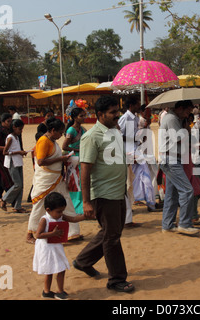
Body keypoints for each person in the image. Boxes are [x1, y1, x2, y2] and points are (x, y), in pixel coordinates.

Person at [73, 95, 134, 293]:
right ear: (100, 115)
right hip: (103, 194)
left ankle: (83, 261)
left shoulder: (114, 131)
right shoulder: (91, 137)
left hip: (118, 192)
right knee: (112, 237)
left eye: (118, 111)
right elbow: (85, 169)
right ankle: (116, 279)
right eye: (113, 113)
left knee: (111, 232)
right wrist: (87, 202)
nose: (118, 116)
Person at [27, 117, 82, 244]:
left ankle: (73, 232)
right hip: (46, 179)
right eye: (60, 132)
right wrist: (61, 159)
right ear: (53, 130)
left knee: (66, 201)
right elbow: (41, 161)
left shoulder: (52, 140)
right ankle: (30, 233)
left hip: (57, 178)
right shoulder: (44, 141)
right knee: (39, 205)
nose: (61, 135)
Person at [33, 192, 88, 300]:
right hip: (46, 248)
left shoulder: (60, 216)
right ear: (48, 210)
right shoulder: (45, 219)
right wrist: (52, 234)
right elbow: (38, 235)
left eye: (62, 211)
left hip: (56, 246)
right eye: (58, 212)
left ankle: (59, 290)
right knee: (49, 271)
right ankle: (47, 291)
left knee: (61, 268)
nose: (60, 214)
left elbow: (72, 219)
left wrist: (84, 217)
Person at [159, 100, 198, 235]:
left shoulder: (176, 119)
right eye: (187, 111)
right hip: (171, 159)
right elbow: (179, 138)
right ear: (180, 108)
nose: (188, 114)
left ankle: (167, 224)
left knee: (172, 194)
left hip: (174, 158)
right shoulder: (171, 118)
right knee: (187, 191)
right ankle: (184, 223)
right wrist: (187, 129)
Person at [118, 96, 144, 227]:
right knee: (128, 182)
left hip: (133, 150)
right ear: (131, 105)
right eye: (137, 104)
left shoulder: (136, 118)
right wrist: (132, 138)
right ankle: (127, 218)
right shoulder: (125, 118)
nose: (139, 106)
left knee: (132, 182)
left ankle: (132, 208)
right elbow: (119, 134)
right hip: (127, 152)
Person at [62, 107, 87, 214]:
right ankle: (76, 206)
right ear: (75, 118)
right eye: (81, 116)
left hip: (81, 157)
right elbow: (64, 146)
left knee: (81, 182)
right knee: (76, 182)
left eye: (84, 115)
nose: (83, 118)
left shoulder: (82, 129)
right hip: (74, 158)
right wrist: (77, 149)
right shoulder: (71, 130)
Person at [1, 119, 28, 213]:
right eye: (20, 129)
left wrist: (21, 152)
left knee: (21, 185)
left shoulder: (16, 137)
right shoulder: (10, 137)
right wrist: (18, 152)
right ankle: (4, 199)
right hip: (12, 163)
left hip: (18, 162)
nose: (21, 131)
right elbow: (5, 152)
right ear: (14, 128)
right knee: (17, 185)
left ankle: (18, 205)